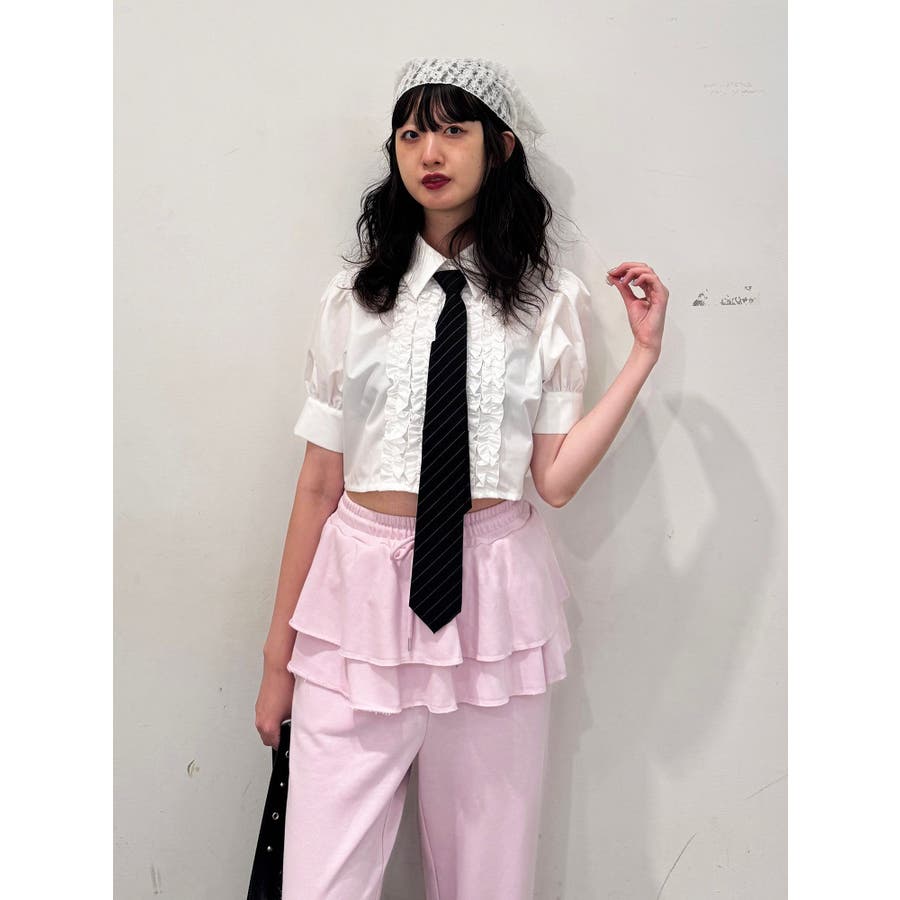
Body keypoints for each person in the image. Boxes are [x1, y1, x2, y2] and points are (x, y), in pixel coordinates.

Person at [254, 56, 669, 900]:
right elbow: (318, 484)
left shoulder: (547, 302)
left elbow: (554, 480)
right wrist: (276, 658)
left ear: (500, 147)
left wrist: (643, 357)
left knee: (488, 880)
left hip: (495, 603)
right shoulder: (354, 299)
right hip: (355, 602)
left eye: (452, 130)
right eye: (410, 134)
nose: (429, 152)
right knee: (320, 882)